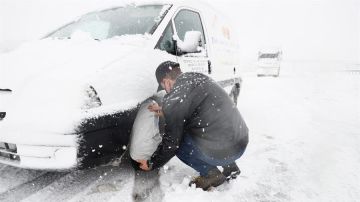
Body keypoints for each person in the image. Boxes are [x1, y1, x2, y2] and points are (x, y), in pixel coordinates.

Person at [137, 61, 249, 191]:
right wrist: (166, 110)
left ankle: (211, 174)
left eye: (163, 87)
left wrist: (152, 163)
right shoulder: (197, 78)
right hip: (240, 142)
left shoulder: (175, 98)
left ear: (166, 82)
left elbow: (172, 143)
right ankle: (230, 167)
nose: (165, 91)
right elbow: (193, 107)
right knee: (213, 127)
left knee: (179, 144)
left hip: (222, 152)